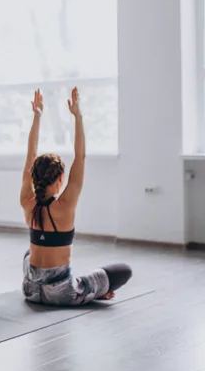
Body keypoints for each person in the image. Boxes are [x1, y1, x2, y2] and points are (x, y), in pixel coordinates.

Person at [20, 88, 132, 306]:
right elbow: (80, 156)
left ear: (33, 175)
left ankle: (87, 289)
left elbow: (30, 155)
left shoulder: (27, 202)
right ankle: (92, 292)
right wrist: (78, 116)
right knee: (123, 271)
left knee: (29, 253)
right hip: (62, 294)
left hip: (30, 290)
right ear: (61, 179)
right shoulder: (65, 206)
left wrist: (37, 116)